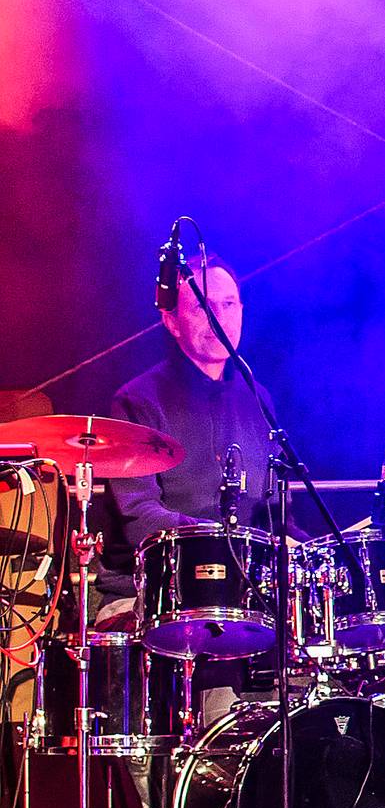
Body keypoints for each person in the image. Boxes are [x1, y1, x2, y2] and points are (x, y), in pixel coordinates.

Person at [93, 250, 285, 621]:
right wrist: (213, 538)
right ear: (172, 322)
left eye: (229, 304)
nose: (219, 318)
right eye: (202, 308)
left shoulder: (258, 399)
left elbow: (272, 515)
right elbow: (138, 515)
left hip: (240, 596)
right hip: (150, 594)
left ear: (242, 312)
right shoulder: (137, 400)